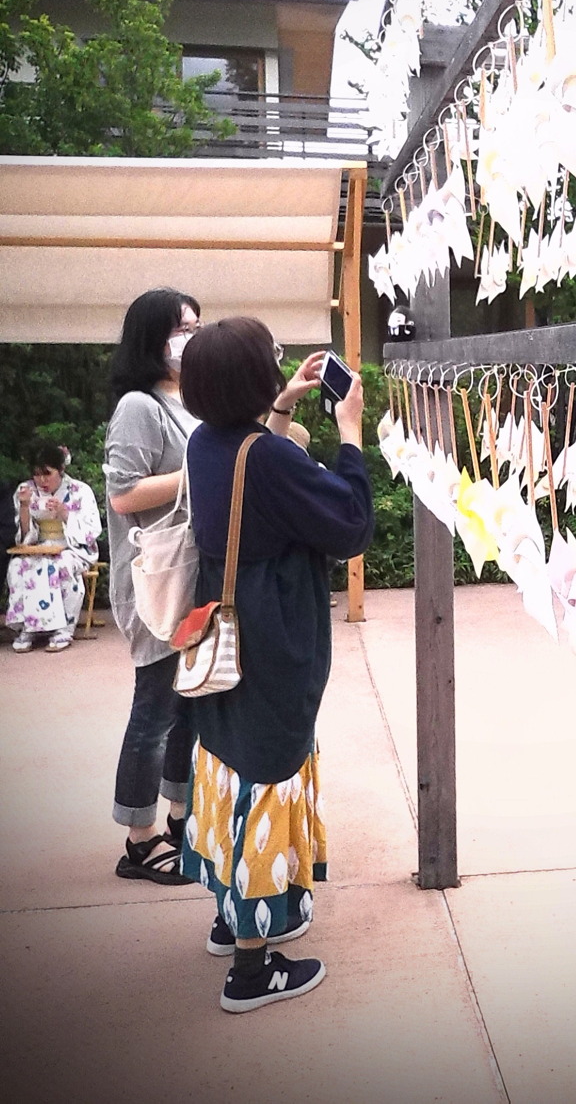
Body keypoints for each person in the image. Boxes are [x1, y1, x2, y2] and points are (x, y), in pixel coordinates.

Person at [177, 318, 373, 1013]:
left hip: (221, 628)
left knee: (231, 763)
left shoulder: (209, 442)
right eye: (273, 363)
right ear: (250, 381)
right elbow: (348, 523)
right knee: (269, 774)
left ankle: (235, 918)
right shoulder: (268, 457)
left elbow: (258, 467)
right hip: (272, 635)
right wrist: (350, 433)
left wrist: (283, 404)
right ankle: (252, 970)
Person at [104, 288, 202, 885]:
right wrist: (197, 471)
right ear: (152, 338)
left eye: (197, 323)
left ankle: (178, 819)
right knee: (155, 711)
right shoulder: (139, 406)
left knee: (187, 706)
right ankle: (138, 841)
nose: (191, 335)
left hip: (190, 576)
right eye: (180, 327)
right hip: (156, 581)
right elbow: (122, 495)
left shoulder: (188, 399)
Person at [6, 441, 101, 652]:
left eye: (47, 474)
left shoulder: (80, 491)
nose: (41, 480)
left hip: (71, 547)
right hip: (39, 545)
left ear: (61, 470)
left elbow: (92, 529)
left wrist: (65, 513)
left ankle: (63, 628)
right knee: (18, 567)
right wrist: (23, 506)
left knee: (61, 566)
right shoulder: (27, 490)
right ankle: (29, 627)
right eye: (37, 474)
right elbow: (24, 536)